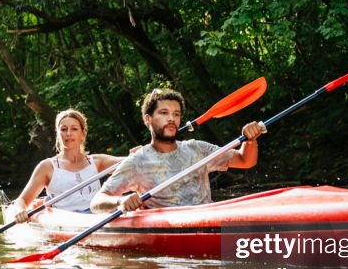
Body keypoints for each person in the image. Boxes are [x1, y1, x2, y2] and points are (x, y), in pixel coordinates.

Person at [90, 89, 264, 213]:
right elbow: (97, 202)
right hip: (171, 227)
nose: (171, 118)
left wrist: (250, 140)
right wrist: (121, 200)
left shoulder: (197, 148)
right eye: (164, 113)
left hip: (209, 217)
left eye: (176, 114)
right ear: (148, 119)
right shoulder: (137, 161)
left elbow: (245, 161)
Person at [8, 109, 126, 223]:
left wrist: (140, 153)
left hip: (96, 216)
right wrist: (20, 210)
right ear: (58, 134)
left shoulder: (97, 161)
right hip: (65, 219)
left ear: (83, 134)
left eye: (74, 129)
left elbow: (130, 162)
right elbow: (21, 200)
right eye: (63, 129)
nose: (68, 134)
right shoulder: (47, 167)